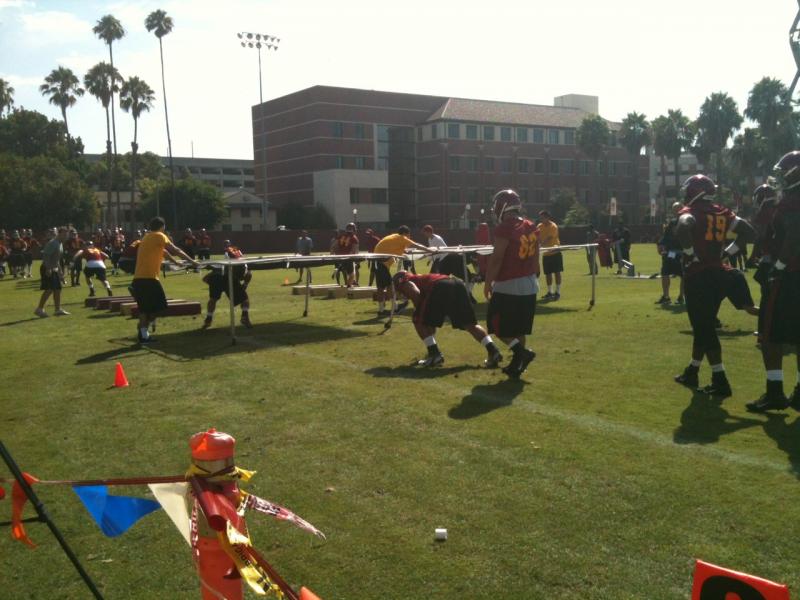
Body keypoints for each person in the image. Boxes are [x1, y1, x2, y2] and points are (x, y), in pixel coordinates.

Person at [673, 174, 755, 398]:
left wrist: (691, 255)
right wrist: (728, 252)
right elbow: (749, 231)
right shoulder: (722, 212)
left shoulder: (692, 212)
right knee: (704, 324)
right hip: (719, 273)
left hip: (699, 277)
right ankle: (692, 370)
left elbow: (683, 228)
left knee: (704, 328)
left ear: (694, 191)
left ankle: (720, 380)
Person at [746, 152, 800, 412]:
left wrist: (779, 265)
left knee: (769, 335)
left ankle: (774, 392)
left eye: (783, 172)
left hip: (788, 276)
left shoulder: (792, 202)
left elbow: (794, 234)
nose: (778, 178)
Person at [392, 270, 502, 367]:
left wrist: (421, 315)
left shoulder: (406, 282)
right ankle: (493, 350)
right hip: (457, 284)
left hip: (440, 287)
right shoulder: (419, 277)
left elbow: (415, 293)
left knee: (418, 320)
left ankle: (435, 354)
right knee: (470, 324)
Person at [484, 189, 538, 379]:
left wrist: (487, 282)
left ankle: (523, 354)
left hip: (509, 284)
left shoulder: (505, 228)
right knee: (519, 329)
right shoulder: (531, 225)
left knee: (497, 326)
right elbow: (537, 255)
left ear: (502, 206)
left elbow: (497, 258)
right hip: (530, 283)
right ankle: (518, 365)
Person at [130, 217, 198, 343]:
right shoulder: (159, 236)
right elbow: (175, 249)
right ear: (162, 226)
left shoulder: (147, 237)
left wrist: (175, 262)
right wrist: (192, 261)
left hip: (139, 279)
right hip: (149, 278)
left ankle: (143, 333)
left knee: (145, 308)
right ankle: (143, 330)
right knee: (159, 307)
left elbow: (164, 252)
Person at [373, 226, 433, 316]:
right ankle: (395, 308)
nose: (409, 237)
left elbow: (395, 248)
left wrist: (404, 251)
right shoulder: (402, 238)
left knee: (381, 288)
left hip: (377, 262)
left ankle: (381, 310)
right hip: (381, 263)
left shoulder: (394, 237)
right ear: (406, 234)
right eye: (409, 235)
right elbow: (417, 245)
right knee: (390, 286)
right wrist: (430, 250)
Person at [201, 240, 252, 330]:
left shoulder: (229, 257)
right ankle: (244, 317)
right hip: (228, 277)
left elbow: (205, 278)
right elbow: (248, 274)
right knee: (245, 300)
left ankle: (208, 319)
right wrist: (244, 286)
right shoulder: (242, 264)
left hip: (217, 277)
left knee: (213, 299)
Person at [35, 227, 69, 317]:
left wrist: (60, 272)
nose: (66, 236)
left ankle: (57, 309)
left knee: (58, 289)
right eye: (64, 234)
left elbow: (56, 259)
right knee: (49, 289)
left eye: (67, 234)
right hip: (47, 268)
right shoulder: (53, 243)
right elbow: (46, 256)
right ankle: (39, 309)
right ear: (59, 234)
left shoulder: (60, 244)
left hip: (54, 268)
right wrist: (48, 268)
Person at [655, 202, 685, 305]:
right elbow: (665, 236)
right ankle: (666, 296)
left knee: (683, 275)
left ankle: (681, 296)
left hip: (682, 253)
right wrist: (660, 244)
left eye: (678, 209)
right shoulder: (672, 223)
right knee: (665, 273)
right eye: (675, 209)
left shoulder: (688, 222)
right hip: (670, 253)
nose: (677, 211)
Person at [537, 210, 563, 300]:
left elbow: (549, 238)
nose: (541, 219)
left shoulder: (553, 226)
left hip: (555, 253)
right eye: (540, 217)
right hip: (546, 254)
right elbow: (537, 236)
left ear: (547, 217)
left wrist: (541, 245)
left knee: (557, 272)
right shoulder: (539, 226)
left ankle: (558, 292)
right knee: (547, 273)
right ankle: (550, 292)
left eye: (542, 217)